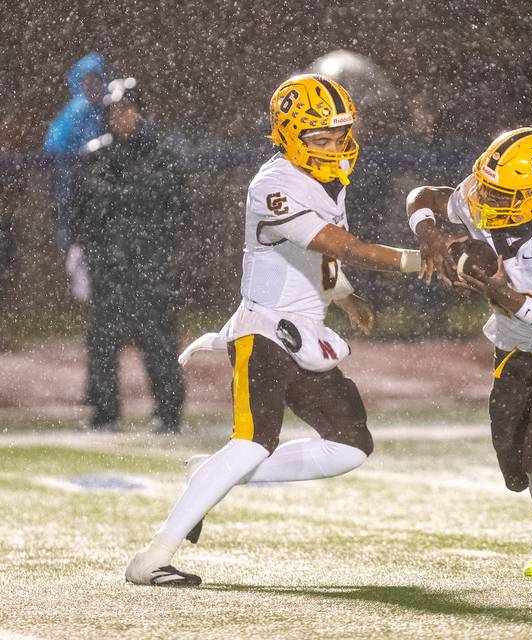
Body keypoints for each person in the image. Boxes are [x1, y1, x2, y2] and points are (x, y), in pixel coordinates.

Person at [125, 74, 422, 586]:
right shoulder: (273, 185)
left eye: (340, 135)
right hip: (264, 330)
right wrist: (420, 261)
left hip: (304, 333)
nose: (334, 147)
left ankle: (209, 473)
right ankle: (151, 558)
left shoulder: (328, 179)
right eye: (321, 138)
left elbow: (320, 255)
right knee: (252, 442)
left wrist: (346, 297)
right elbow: (340, 245)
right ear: (289, 135)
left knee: (350, 445)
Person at [406, 128, 532, 577]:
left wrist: (505, 295)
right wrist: (429, 233)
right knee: (515, 473)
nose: (485, 199)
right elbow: (422, 196)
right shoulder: (480, 198)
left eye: (501, 194)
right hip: (512, 346)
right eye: (486, 187)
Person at [72, 78, 185, 434]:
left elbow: (176, 212)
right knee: (102, 342)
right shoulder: (96, 156)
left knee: (158, 340)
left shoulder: (161, 157)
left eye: (127, 109)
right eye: (115, 111)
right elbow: (82, 212)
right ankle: (104, 413)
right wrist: (83, 252)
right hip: (108, 266)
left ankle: (168, 412)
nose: (120, 117)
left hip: (149, 266)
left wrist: (164, 256)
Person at [43, 53, 109, 302]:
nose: (92, 85)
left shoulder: (103, 110)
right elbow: (55, 146)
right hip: (74, 187)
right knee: (75, 237)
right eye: (87, 80)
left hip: (92, 187)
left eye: (96, 79)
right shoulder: (77, 111)